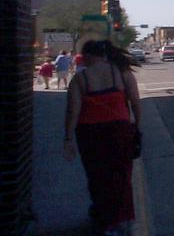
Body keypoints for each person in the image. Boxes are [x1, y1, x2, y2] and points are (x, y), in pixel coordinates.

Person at [64, 40, 142, 236]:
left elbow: (73, 112)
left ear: (89, 56)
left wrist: (68, 138)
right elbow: (135, 103)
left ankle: (106, 222)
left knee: (97, 177)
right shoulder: (123, 73)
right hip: (119, 130)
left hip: (90, 134)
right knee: (122, 176)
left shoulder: (80, 79)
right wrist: (136, 127)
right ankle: (124, 220)